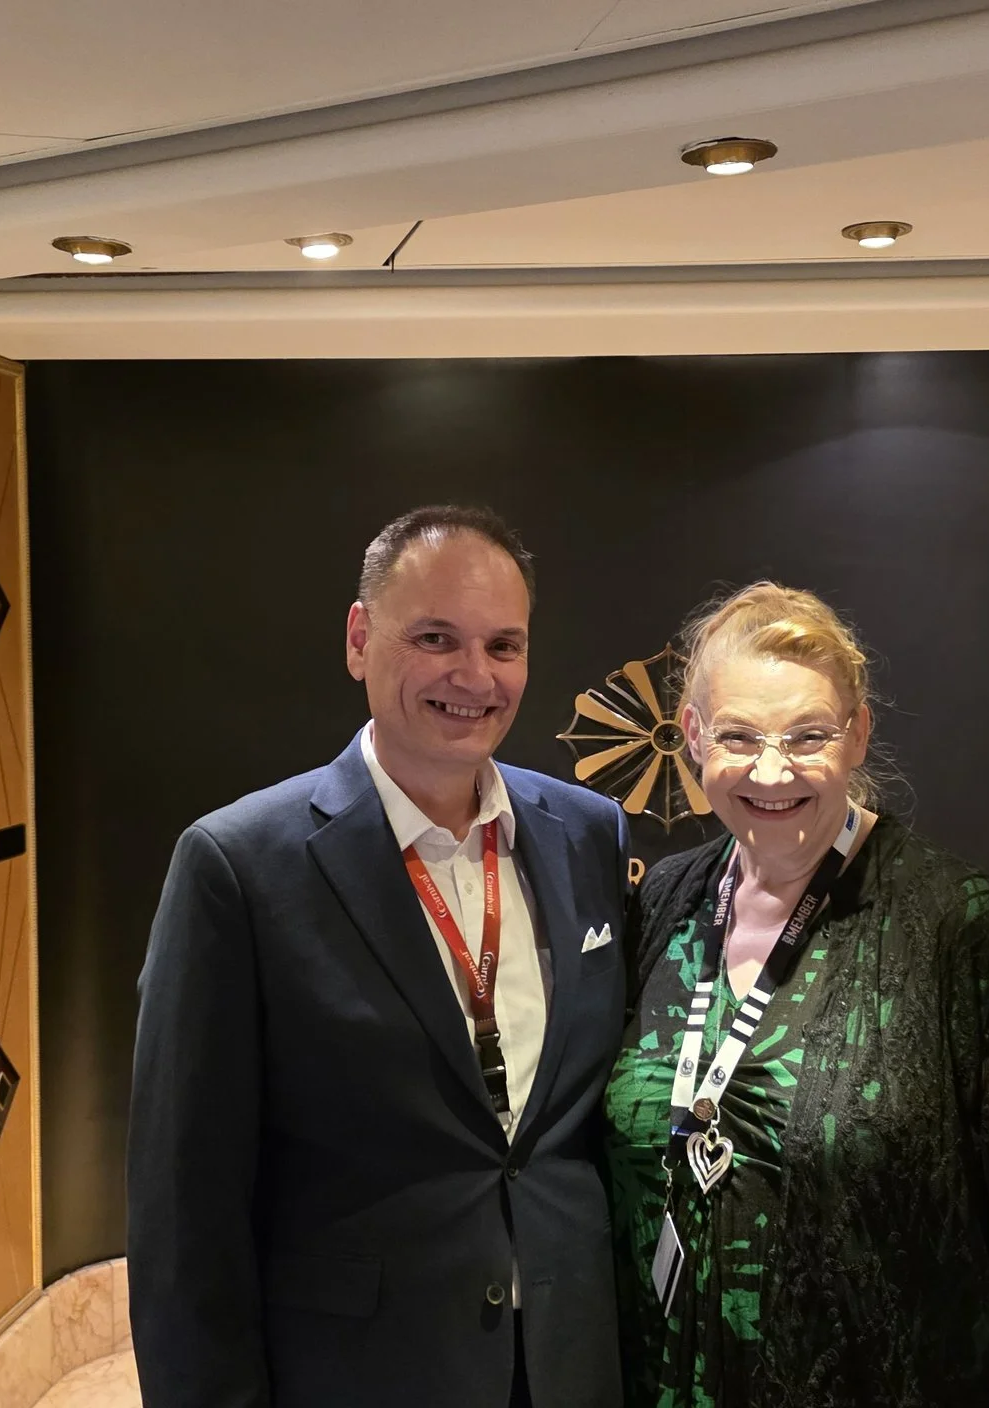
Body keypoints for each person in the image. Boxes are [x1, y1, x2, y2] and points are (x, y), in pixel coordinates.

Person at [129, 505, 632, 1408]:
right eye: (436, 638)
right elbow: (183, 1216)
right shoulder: (237, 866)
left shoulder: (587, 833)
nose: (473, 677)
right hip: (361, 1375)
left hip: (572, 1362)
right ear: (361, 639)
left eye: (504, 646)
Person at [604, 583, 989, 1408]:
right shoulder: (665, 899)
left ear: (859, 732)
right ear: (693, 737)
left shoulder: (958, 922)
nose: (772, 771)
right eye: (738, 737)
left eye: (809, 736)